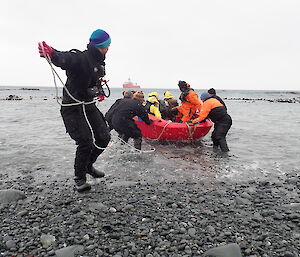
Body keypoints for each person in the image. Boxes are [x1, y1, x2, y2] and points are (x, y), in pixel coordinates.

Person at [38, 29, 112, 192]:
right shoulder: (82, 57)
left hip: (88, 105)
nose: (109, 49)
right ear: (103, 46)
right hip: (72, 107)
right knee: (85, 141)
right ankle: (80, 178)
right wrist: (52, 54)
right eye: (108, 45)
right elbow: (68, 59)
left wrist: (97, 91)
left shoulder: (99, 61)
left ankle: (88, 166)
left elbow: (92, 80)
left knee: (104, 137)